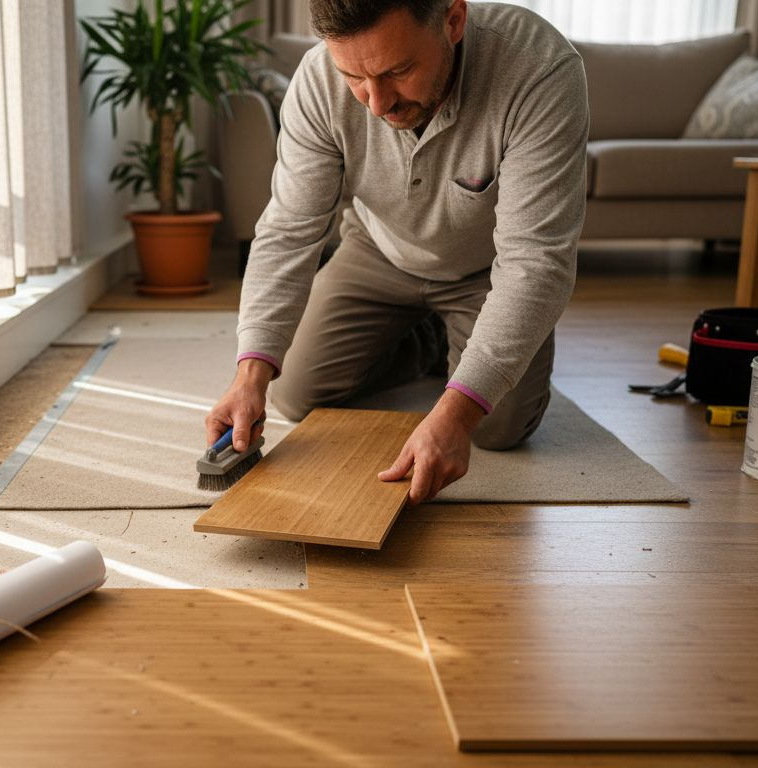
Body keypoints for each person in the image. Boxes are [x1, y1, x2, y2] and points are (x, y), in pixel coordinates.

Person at [205, 0, 588, 505]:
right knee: (295, 394)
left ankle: (461, 347)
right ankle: (429, 342)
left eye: (398, 71)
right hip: (377, 250)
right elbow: (289, 231)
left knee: (499, 429)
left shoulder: (539, 70)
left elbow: (535, 263)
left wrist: (455, 412)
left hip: (488, 274)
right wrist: (248, 374)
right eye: (354, 78)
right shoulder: (318, 80)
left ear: (452, 19)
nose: (376, 104)